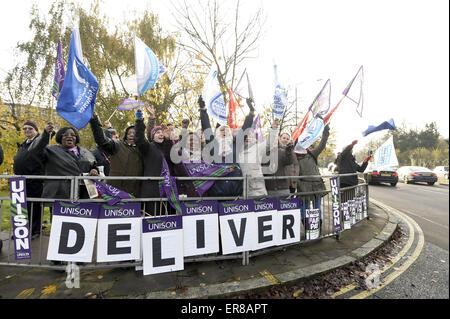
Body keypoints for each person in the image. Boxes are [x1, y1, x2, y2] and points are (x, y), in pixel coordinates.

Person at [198, 96, 255, 197]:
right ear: (217, 134)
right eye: (221, 130)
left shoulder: (236, 144)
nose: (224, 132)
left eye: (227, 130)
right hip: (216, 191)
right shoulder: (213, 145)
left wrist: (251, 112)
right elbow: (206, 127)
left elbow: (245, 128)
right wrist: (203, 110)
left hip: (235, 190)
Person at [28, 122, 99, 200]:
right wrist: (45, 134)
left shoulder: (86, 152)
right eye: (65, 135)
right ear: (60, 137)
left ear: (76, 138)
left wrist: (94, 170)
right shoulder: (50, 151)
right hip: (60, 195)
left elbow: (94, 165)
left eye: (73, 135)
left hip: (84, 194)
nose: (69, 137)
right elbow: (34, 150)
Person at [89, 113, 143, 197]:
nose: (132, 135)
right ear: (125, 136)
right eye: (129, 133)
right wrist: (95, 121)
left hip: (134, 195)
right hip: (114, 193)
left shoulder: (143, 150)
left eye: (135, 133)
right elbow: (102, 140)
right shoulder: (117, 146)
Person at [134, 107, 175, 215]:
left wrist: (169, 139)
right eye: (158, 133)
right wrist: (139, 121)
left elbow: (173, 158)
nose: (161, 134)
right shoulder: (148, 147)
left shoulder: (167, 147)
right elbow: (139, 139)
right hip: (151, 192)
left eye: (162, 133)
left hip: (167, 192)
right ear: (152, 137)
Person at [13, 121, 45, 238]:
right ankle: (21, 230)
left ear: (36, 130)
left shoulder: (39, 143)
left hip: (34, 180)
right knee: (21, 207)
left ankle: (35, 230)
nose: (27, 130)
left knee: (34, 206)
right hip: (20, 181)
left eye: (30, 129)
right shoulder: (23, 144)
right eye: (25, 128)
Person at [295, 124, 330, 223]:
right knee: (304, 208)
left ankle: (318, 223)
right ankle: (305, 224)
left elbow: (322, 144)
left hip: (317, 185)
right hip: (304, 186)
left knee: (317, 207)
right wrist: (298, 184)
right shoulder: (294, 156)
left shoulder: (312, 153)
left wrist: (325, 132)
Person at [263, 118, 295, 197]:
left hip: (284, 188)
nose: (285, 140)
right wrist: (274, 128)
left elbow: (290, 161)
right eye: (284, 138)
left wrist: (289, 150)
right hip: (269, 189)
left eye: (287, 139)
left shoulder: (283, 152)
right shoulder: (266, 153)